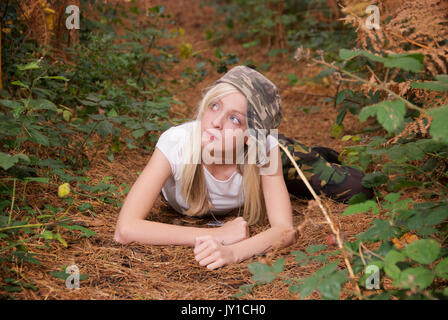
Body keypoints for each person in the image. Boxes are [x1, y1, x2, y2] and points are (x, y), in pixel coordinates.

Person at [114, 65, 373, 270]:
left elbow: (284, 230)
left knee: (357, 188)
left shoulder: (264, 148)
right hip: (254, 149)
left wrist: (234, 252)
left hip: (265, 153)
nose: (215, 121)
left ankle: (315, 155)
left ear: (250, 135)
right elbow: (125, 230)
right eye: (214, 106)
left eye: (234, 119)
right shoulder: (176, 143)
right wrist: (218, 236)